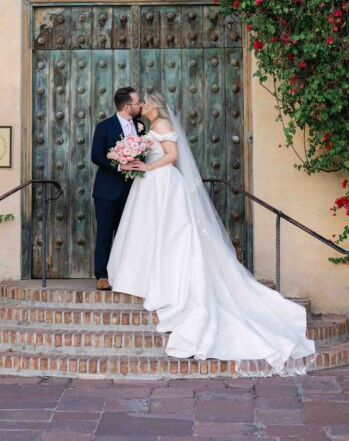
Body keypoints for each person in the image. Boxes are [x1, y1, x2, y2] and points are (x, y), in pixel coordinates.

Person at [107, 92, 316, 375]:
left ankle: (166, 277)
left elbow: (172, 156)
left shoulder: (164, 127)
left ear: (154, 107)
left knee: (171, 234)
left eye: (145, 103)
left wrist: (147, 165)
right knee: (149, 232)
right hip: (149, 186)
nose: (142, 106)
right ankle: (145, 273)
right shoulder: (147, 129)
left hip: (164, 184)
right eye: (139, 103)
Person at [89, 87, 145, 291]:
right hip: (107, 191)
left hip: (132, 189)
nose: (141, 105)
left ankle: (124, 274)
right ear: (126, 106)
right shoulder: (105, 126)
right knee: (105, 233)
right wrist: (121, 165)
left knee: (128, 234)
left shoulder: (140, 126)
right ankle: (102, 275)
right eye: (138, 102)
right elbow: (96, 155)